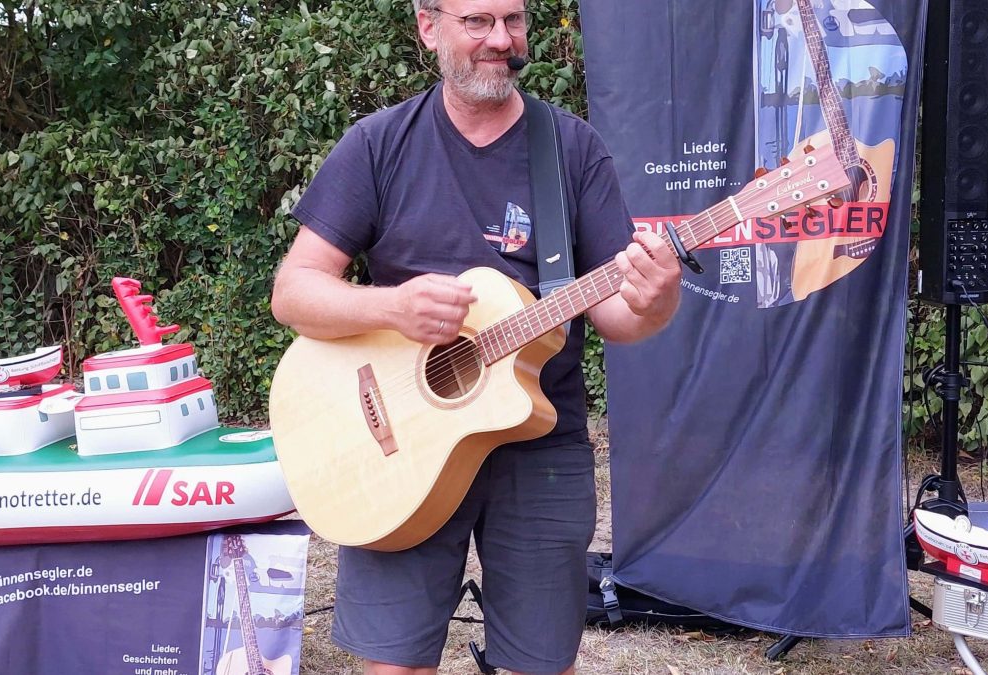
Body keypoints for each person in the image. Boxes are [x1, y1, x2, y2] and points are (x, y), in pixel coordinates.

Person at [270, 1, 682, 672]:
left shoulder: (571, 149)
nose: (501, 39)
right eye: (478, 21)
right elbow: (294, 291)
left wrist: (658, 298)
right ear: (428, 26)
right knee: (395, 665)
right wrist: (391, 307)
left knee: (540, 664)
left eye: (514, 20)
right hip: (397, 442)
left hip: (540, 441)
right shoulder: (378, 143)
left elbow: (619, 316)